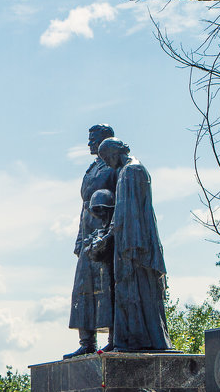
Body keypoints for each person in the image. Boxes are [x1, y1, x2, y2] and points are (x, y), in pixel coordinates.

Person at [97, 138, 173, 352]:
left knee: (139, 292)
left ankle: (144, 340)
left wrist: (123, 242)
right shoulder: (126, 172)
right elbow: (121, 212)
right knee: (129, 293)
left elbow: (130, 213)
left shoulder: (132, 171)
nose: (107, 163)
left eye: (106, 158)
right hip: (128, 241)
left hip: (136, 244)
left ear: (115, 153)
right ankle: (133, 340)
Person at [66, 124, 118, 358]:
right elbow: (84, 206)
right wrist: (79, 239)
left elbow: (120, 201)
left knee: (107, 288)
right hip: (87, 234)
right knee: (82, 289)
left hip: (105, 234)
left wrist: (111, 233)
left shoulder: (115, 167)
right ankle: (86, 341)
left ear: (106, 140)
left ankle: (114, 339)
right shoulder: (92, 168)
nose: (89, 144)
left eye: (93, 139)